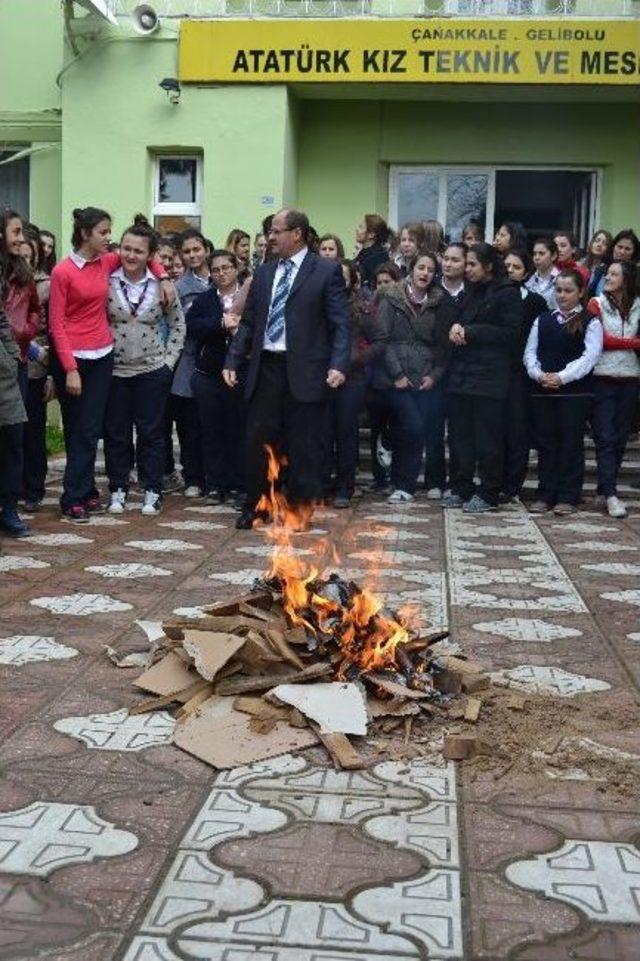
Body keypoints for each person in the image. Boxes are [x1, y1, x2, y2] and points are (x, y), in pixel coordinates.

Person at [223, 207, 351, 530]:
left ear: (297, 234)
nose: (270, 237)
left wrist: (338, 363)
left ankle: (298, 510)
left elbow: (340, 323)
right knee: (258, 441)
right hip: (265, 368)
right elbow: (250, 321)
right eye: (270, 232)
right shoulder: (265, 273)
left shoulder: (325, 271)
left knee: (304, 444)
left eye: (277, 231)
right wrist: (233, 358)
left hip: (306, 371)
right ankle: (258, 505)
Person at [48, 206, 171, 522]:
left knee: (91, 429)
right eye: (103, 232)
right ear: (86, 234)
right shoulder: (63, 271)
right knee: (77, 428)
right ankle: (72, 496)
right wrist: (70, 368)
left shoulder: (106, 260)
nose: (109, 238)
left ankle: (85, 492)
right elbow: (56, 324)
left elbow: (146, 255)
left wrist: (165, 277)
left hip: (103, 356)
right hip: (73, 359)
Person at [104, 215, 185, 516]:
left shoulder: (163, 286)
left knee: (151, 434)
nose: (131, 256)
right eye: (126, 248)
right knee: (117, 433)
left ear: (149, 256)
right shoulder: (107, 280)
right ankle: (118, 489)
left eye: (138, 251)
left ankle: (152, 490)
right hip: (114, 370)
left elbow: (178, 326)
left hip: (152, 371)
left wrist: (168, 363)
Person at [445, 243, 522, 513]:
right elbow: (462, 322)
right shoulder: (470, 292)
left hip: (489, 377)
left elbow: (511, 335)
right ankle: (461, 486)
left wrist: (472, 332)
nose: (466, 269)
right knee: (460, 436)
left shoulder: (508, 293)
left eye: (472, 264)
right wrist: (456, 328)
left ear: (488, 266)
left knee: (487, 438)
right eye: (466, 264)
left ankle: (489, 492)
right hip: (462, 375)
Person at [524, 269, 602, 516]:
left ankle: (568, 495)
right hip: (544, 391)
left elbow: (589, 357)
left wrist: (562, 377)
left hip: (574, 394)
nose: (562, 295)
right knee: (546, 443)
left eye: (568, 291)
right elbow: (530, 352)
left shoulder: (591, 321)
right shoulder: (543, 319)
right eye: (558, 290)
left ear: (580, 292)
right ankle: (546, 493)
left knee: (570, 443)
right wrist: (538, 374)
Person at [374, 250, 447, 503]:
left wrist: (435, 376)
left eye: (429, 269)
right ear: (411, 270)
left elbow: (441, 346)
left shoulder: (438, 302)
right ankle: (404, 485)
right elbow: (382, 339)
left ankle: (401, 482)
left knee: (413, 429)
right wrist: (397, 374)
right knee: (413, 427)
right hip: (396, 377)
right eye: (420, 268)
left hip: (424, 378)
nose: (425, 273)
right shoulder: (391, 298)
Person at [190, 249, 246, 504]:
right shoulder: (204, 299)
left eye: (226, 267)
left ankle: (237, 484)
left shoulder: (250, 295)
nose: (222, 273)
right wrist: (221, 324)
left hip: (239, 373)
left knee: (236, 429)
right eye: (216, 269)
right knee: (210, 430)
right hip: (208, 374)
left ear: (236, 268)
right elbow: (193, 326)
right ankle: (214, 483)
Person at [588, 262, 640, 518]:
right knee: (605, 436)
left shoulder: (638, 304)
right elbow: (602, 341)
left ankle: (604, 486)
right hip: (602, 377)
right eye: (607, 273)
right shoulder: (596, 303)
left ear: (627, 279)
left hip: (630, 377)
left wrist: (629, 345)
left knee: (619, 437)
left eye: (614, 274)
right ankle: (611, 494)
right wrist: (634, 342)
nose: (608, 277)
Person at [326, 259, 377, 508]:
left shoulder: (361, 309)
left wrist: (354, 359)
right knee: (322, 434)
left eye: (343, 277)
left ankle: (345, 486)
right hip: (320, 378)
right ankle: (323, 483)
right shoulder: (319, 305)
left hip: (352, 379)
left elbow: (379, 341)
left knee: (346, 433)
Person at [167, 228, 210, 497]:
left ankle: (217, 476)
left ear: (205, 249)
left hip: (221, 362)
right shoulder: (178, 288)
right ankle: (193, 476)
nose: (192, 255)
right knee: (190, 425)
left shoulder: (224, 277)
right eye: (187, 251)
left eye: (196, 249)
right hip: (188, 362)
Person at [502, 249, 548, 501]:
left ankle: (512, 486)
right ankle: (493, 480)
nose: (509, 270)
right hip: (493, 372)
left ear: (526, 273)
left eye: (516, 267)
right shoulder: (491, 296)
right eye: (506, 265)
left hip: (520, 374)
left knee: (517, 430)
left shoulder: (535, 302)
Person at [20, 230, 54, 511]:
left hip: (36, 365)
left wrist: (51, 370)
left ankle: (33, 488)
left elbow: (54, 330)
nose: (25, 260)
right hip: (8, 364)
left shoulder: (46, 285)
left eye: (30, 256)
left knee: (33, 429)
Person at [0, 300, 28, 536]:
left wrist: (12, 354)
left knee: (12, 444)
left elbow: (1, 320)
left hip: (5, 378)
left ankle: (9, 509)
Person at [591, 229, 640, 296]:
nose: (622, 252)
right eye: (620, 247)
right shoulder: (601, 270)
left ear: (634, 253)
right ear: (613, 247)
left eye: (627, 249)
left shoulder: (637, 275)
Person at [354, 214, 390, 289]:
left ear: (371, 234)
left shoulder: (378, 257)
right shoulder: (362, 254)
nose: (357, 230)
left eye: (361, 227)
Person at [526, 237, 559, 309]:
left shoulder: (562, 279)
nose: (537, 257)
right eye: (534, 254)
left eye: (541, 254)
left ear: (553, 256)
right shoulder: (527, 280)